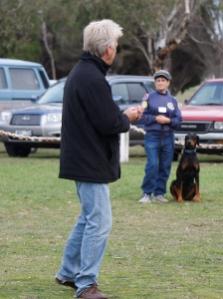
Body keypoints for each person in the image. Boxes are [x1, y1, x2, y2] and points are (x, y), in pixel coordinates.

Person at [55, 19, 143, 299]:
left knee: (87, 218)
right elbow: (108, 122)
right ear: (107, 49)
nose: (116, 49)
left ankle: (68, 272)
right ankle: (85, 284)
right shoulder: (93, 79)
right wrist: (127, 117)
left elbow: (99, 117)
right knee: (99, 222)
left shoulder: (82, 74)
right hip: (89, 161)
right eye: (115, 45)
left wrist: (119, 116)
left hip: (82, 159)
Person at [139, 70, 182, 203]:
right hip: (152, 136)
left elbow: (179, 120)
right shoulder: (148, 98)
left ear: (168, 83)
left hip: (168, 137)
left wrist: (168, 121)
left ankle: (159, 193)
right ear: (155, 83)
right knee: (152, 164)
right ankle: (147, 193)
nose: (160, 83)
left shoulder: (173, 101)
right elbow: (142, 117)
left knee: (165, 166)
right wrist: (155, 119)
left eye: (163, 80)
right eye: (158, 80)